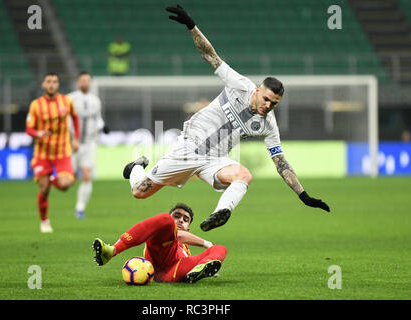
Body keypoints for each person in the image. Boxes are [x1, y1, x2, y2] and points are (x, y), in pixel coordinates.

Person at [123, 5, 330, 232]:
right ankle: (136, 166)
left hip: (214, 159)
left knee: (244, 175)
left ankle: (220, 213)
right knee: (139, 192)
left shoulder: (268, 124)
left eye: (274, 104)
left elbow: (280, 162)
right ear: (258, 90)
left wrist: (303, 195)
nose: (268, 106)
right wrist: (192, 25)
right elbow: (210, 55)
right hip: (188, 149)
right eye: (267, 99)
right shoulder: (239, 85)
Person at [93, 203, 227, 283]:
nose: (181, 220)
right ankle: (113, 250)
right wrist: (207, 243)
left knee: (220, 248)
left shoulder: (185, 246)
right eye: (177, 216)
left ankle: (201, 268)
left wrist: (209, 264)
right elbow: (178, 235)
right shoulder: (167, 232)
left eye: (185, 219)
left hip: (175, 271)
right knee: (165, 219)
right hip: (159, 258)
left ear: (188, 228)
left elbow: (181, 239)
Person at [26, 72, 80, 233]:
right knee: (44, 188)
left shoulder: (66, 101)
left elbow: (75, 118)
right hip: (42, 154)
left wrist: (76, 138)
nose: (51, 84)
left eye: (54, 81)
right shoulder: (36, 105)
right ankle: (44, 221)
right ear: (43, 85)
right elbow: (29, 128)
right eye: (48, 81)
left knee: (65, 185)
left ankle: (50, 176)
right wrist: (38, 133)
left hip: (62, 152)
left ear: (58, 85)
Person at [68, 71, 110, 219]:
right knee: (68, 180)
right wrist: (71, 138)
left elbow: (97, 119)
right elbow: (65, 120)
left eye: (88, 80)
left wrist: (103, 127)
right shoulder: (70, 99)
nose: (85, 83)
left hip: (89, 144)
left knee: (86, 176)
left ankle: (80, 208)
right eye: (83, 80)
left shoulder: (95, 100)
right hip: (73, 143)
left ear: (90, 83)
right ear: (78, 83)